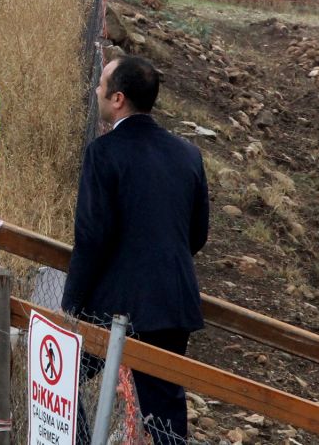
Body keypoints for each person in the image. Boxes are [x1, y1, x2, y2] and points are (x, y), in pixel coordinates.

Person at [62, 56, 209, 443]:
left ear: (118, 99)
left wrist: (71, 305)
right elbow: (197, 236)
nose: (96, 89)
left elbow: (92, 237)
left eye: (102, 83)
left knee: (64, 374)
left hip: (113, 306)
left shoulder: (103, 152)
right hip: (171, 301)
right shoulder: (188, 154)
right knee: (164, 410)